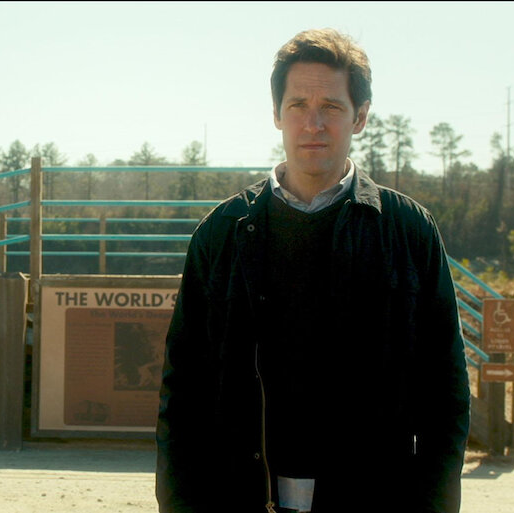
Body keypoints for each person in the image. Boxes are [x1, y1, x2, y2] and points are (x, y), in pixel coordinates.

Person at [156, 28, 470, 513]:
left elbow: (445, 391)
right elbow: (183, 392)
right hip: (238, 497)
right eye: (298, 105)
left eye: (332, 106)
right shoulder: (220, 234)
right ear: (276, 113)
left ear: (360, 117)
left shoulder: (409, 232)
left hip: (373, 499)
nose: (313, 123)